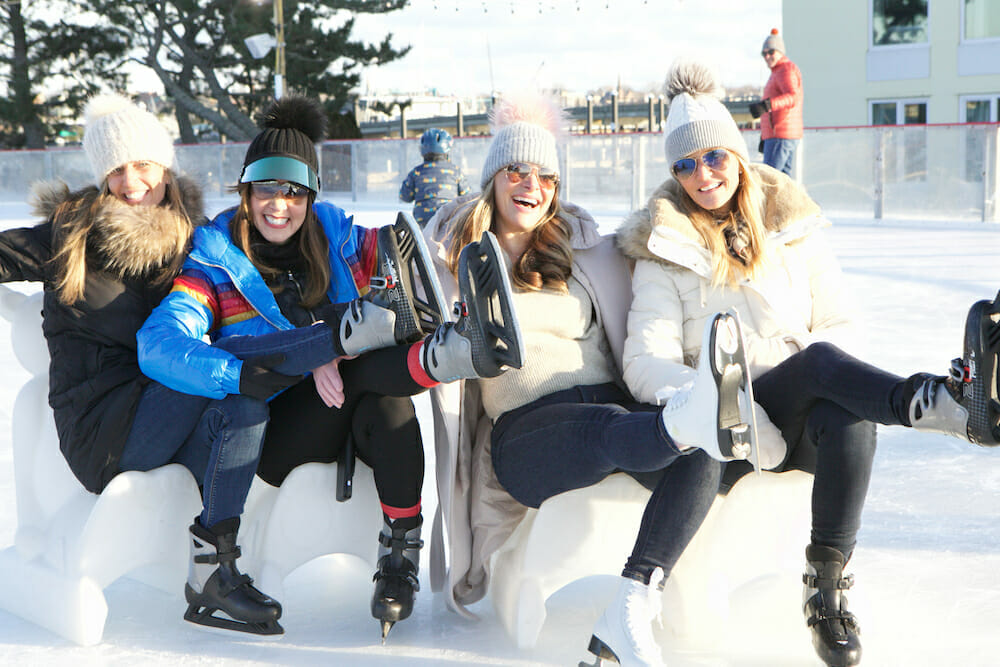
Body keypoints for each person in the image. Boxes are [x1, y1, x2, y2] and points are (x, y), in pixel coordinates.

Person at [616, 60, 997, 667]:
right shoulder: (662, 252)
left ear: (738, 155)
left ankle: (826, 586)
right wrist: (721, 402)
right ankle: (943, 406)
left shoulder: (792, 228)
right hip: (721, 434)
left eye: (713, 157)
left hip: (801, 404)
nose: (701, 175)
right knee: (825, 371)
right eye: (684, 165)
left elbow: (842, 324)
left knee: (847, 413)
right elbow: (645, 363)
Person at [136, 95, 521, 640]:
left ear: (311, 196)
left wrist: (467, 243)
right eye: (266, 188)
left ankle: (397, 561)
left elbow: (406, 271)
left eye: (294, 191)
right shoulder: (213, 259)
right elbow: (159, 343)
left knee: (384, 398)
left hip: (351, 408)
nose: (279, 204)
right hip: (267, 430)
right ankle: (444, 358)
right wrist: (253, 368)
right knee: (367, 360)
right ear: (245, 191)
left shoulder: (336, 236)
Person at [424, 91, 753, 667]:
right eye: (517, 171)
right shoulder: (457, 261)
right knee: (636, 425)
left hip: (615, 411)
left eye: (546, 176)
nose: (533, 185)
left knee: (707, 445)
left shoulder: (584, 252)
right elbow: (413, 311)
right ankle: (686, 420)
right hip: (527, 436)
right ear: (492, 181)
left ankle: (630, 606)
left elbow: (670, 242)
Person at [749, 28, 803, 176]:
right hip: (777, 135)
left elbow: (793, 96)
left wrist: (766, 105)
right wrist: (764, 135)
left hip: (781, 135)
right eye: (764, 53)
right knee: (783, 181)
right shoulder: (777, 72)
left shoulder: (785, 70)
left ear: (780, 52)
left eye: (771, 52)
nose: (767, 56)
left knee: (769, 179)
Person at [399, 128, 469, 227]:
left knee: (422, 239)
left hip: (423, 219)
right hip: (449, 217)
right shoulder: (455, 171)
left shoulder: (416, 173)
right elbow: (466, 196)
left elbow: (404, 196)